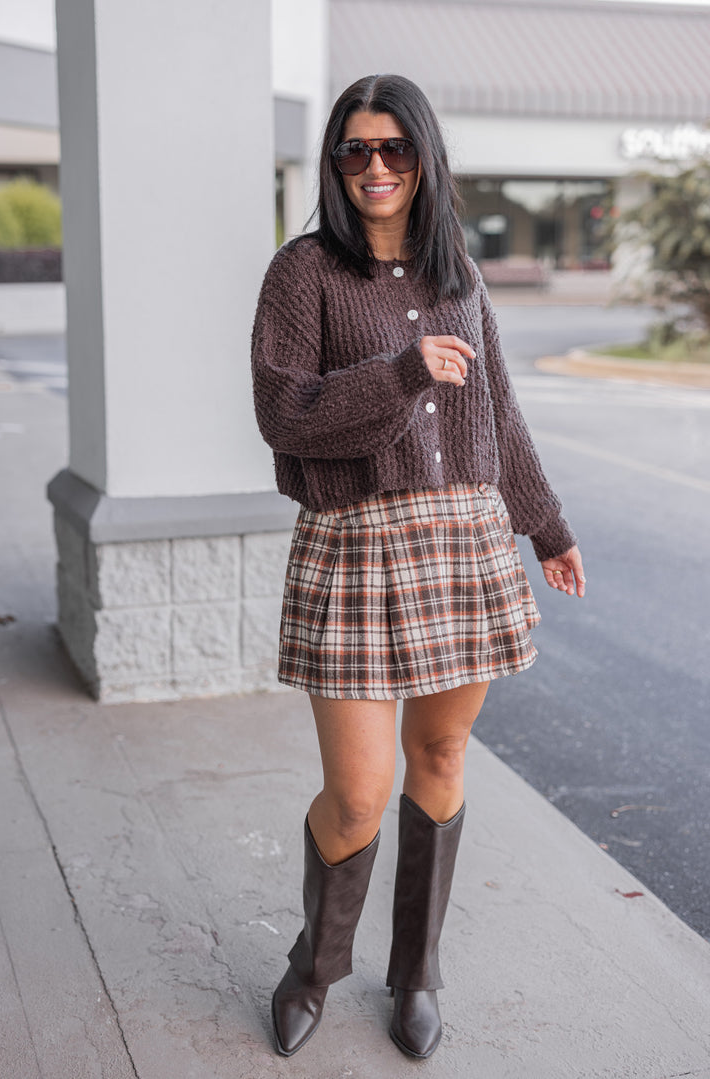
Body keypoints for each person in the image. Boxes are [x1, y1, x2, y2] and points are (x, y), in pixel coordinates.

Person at [251, 73, 585, 1060]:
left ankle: (418, 969)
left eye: (395, 149)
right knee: (355, 790)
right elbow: (284, 412)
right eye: (355, 151)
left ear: (426, 157)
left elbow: (502, 418)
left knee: (441, 755)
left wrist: (547, 523)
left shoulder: (459, 275)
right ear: (334, 164)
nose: (375, 168)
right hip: (354, 542)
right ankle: (316, 965)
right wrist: (400, 373)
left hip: (464, 540)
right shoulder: (303, 272)